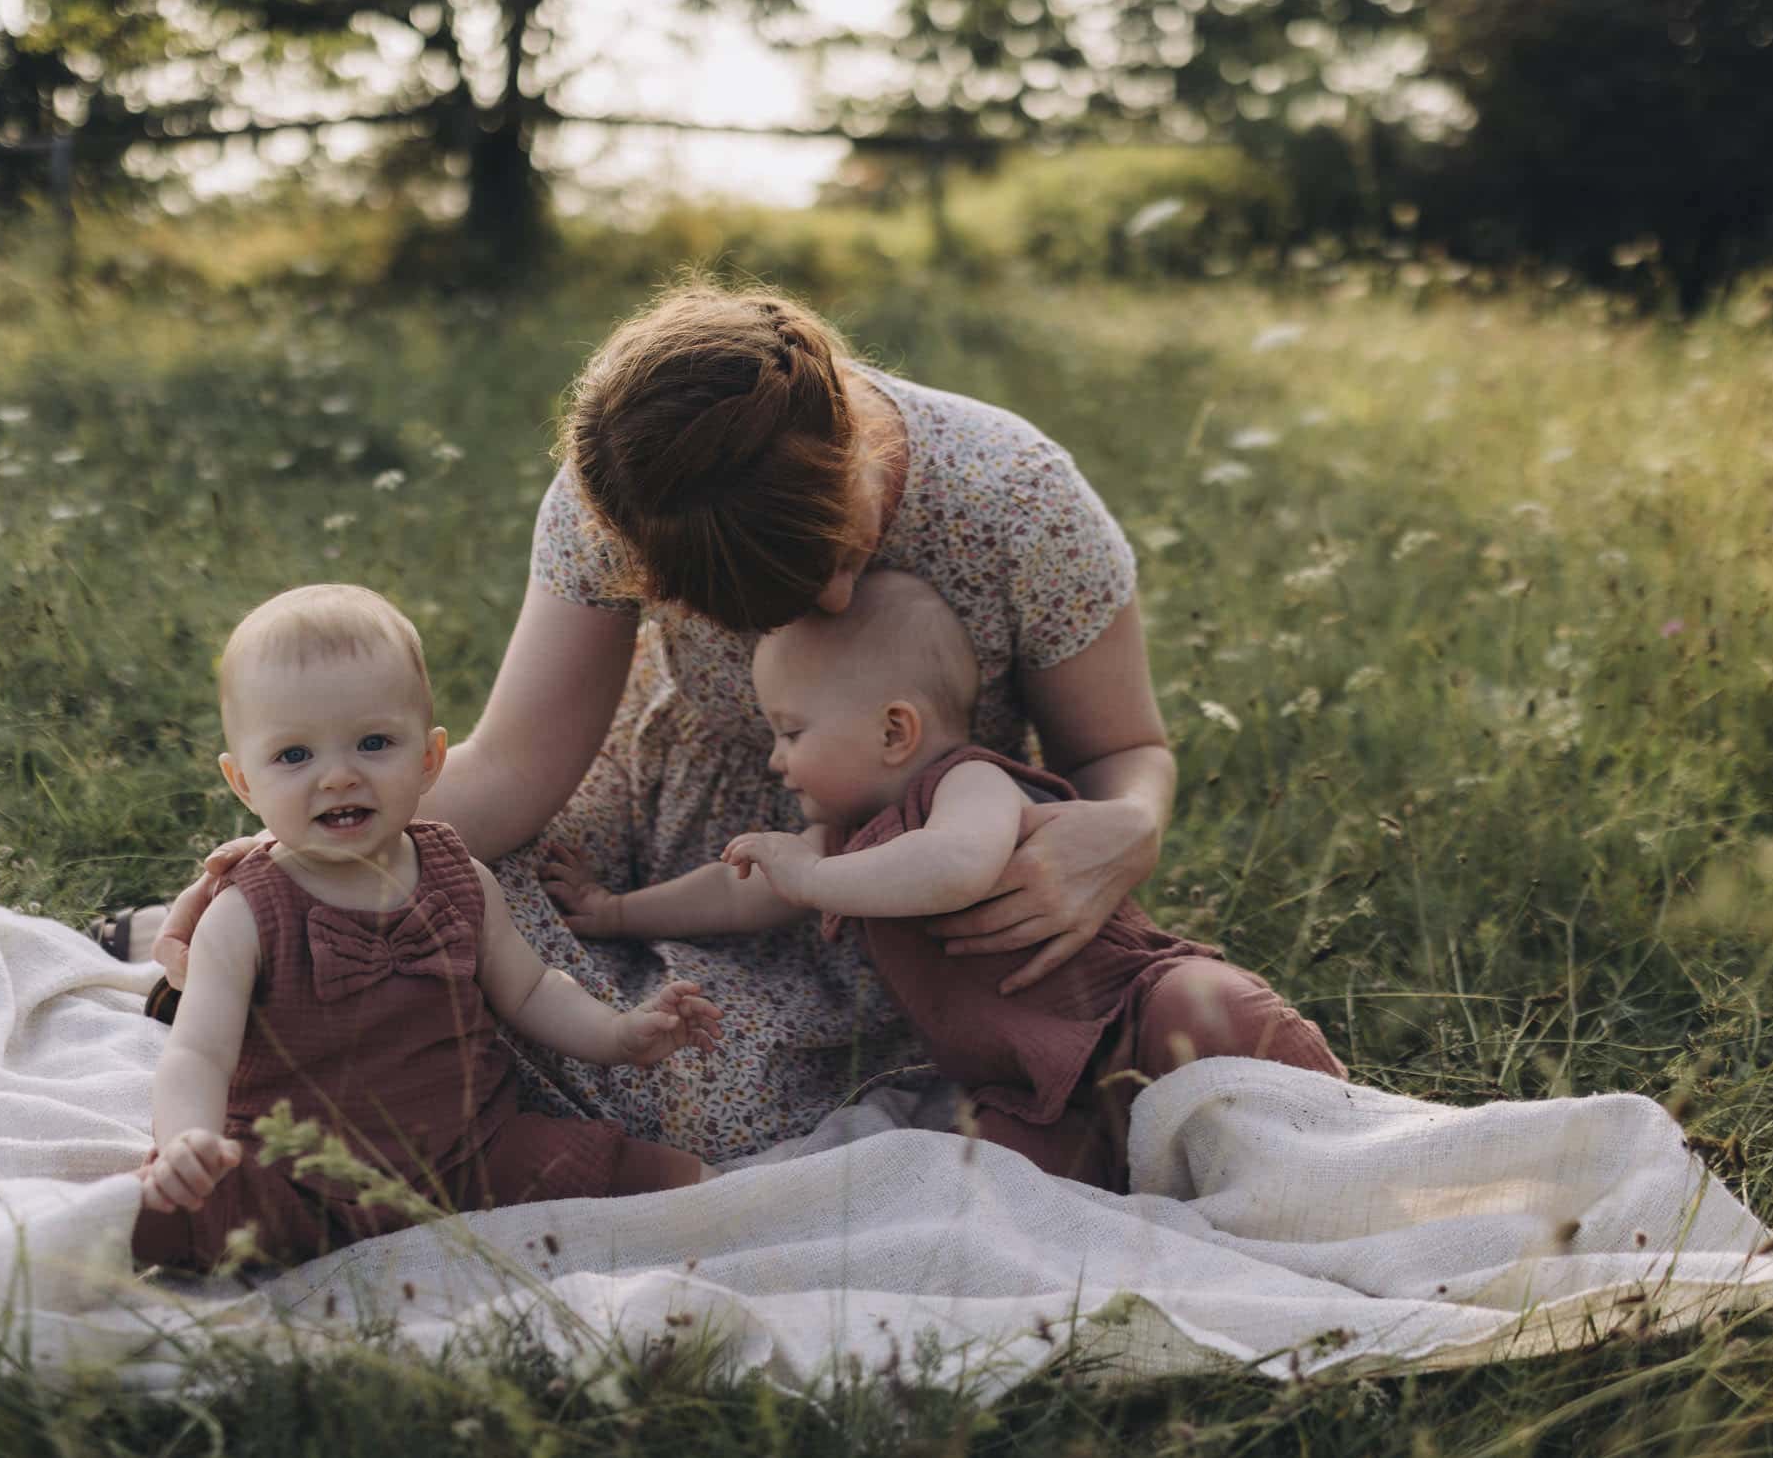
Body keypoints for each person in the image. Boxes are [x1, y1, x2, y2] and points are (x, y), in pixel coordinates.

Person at [140, 281, 1184, 1163]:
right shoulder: (627, 494)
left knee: (687, 1075)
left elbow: (1119, 750)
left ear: (859, 441)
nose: (833, 602)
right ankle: (228, 966)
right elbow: (510, 771)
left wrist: (1128, 826)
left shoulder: (1016, 500)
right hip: (659, 797)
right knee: (438, 904)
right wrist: (285, 866)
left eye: (842, 556)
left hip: (887, 865)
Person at [552, 571, 1346, 1191]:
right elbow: (736, 891)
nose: (775, 759)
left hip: (1132, 1013)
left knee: (1210, 1010)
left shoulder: (968, 784)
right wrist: (615, 911)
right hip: (1030, 1088)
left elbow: (955, 865)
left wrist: (815, 875)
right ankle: (1160, 1199)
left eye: (791, 731)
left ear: (895, 729)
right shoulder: (840, 843)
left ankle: (1339, 1137)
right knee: (988, 1183)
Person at [132, 585, 719, 1272]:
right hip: (302, 1174)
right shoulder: (244, 914)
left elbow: (532, 990)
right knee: (171, 1213)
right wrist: (188, 1139)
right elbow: (198, 1054)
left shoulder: (461, 878)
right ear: (243, 784)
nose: (339, 776)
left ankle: (742, 1209)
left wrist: (617, 1034)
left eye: (374, 742)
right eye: (294, 756)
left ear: (429, 760)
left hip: (471, 1152)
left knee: (649, 1172)